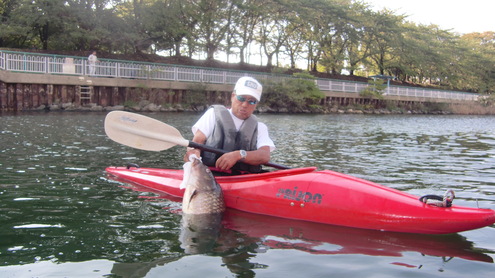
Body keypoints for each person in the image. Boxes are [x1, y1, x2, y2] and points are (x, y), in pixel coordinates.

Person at [184, 76, 275, 174]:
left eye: (251, 101)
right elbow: (197, 142)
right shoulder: (213, 114)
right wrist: (194, 153)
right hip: (210, 176)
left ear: (256, 104)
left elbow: (265, 156)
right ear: (233, 96)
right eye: (241, 98)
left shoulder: (260, 127)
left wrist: (238, 155)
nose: (245, 104)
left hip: (244, 179)